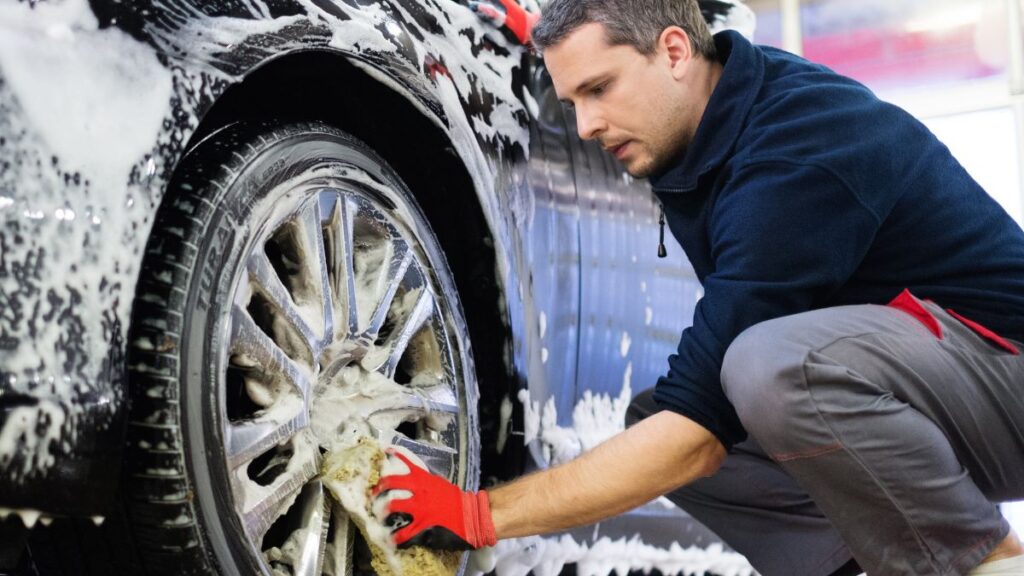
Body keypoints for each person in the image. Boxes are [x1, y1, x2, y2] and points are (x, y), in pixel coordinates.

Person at [372, 1, 1024, 574]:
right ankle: (883, 562)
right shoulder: (699, 104)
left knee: (768, 370)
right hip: (941, 393)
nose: (585, 126)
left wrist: (478, 516)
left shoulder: (793, 156)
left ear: (675, 51)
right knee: (658, 418)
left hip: (1006, 373)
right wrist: (544, 33)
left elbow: (695, 438)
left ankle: (976, 563)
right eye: (572, 101)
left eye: (599, 89)